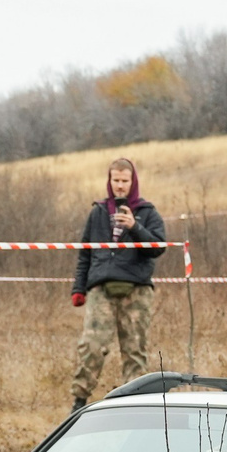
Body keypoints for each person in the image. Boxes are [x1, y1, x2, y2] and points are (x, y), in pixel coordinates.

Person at [68, 156, 167, 409]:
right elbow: (85, 253)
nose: (120, 185)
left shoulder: (147, 212)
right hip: (100, 287)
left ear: (133, 182)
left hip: (137, 288)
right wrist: (79, 288)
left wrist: (135, 227)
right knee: (92, 346)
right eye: (116, 180)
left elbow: (158, 247)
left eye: (125, 181)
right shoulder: (98, 212)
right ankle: (79, 401)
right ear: (109, 181)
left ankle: (134, 404)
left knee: (134, 350)